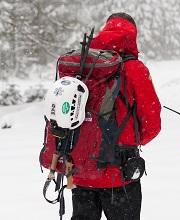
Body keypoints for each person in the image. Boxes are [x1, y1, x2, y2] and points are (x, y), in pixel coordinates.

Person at [70, 12, 161, 220]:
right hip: (119, 174)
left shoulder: (84, 64)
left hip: (82, 170)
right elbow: (152, 121)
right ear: (132, 36)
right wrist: (131, 142)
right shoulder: (134, 69)